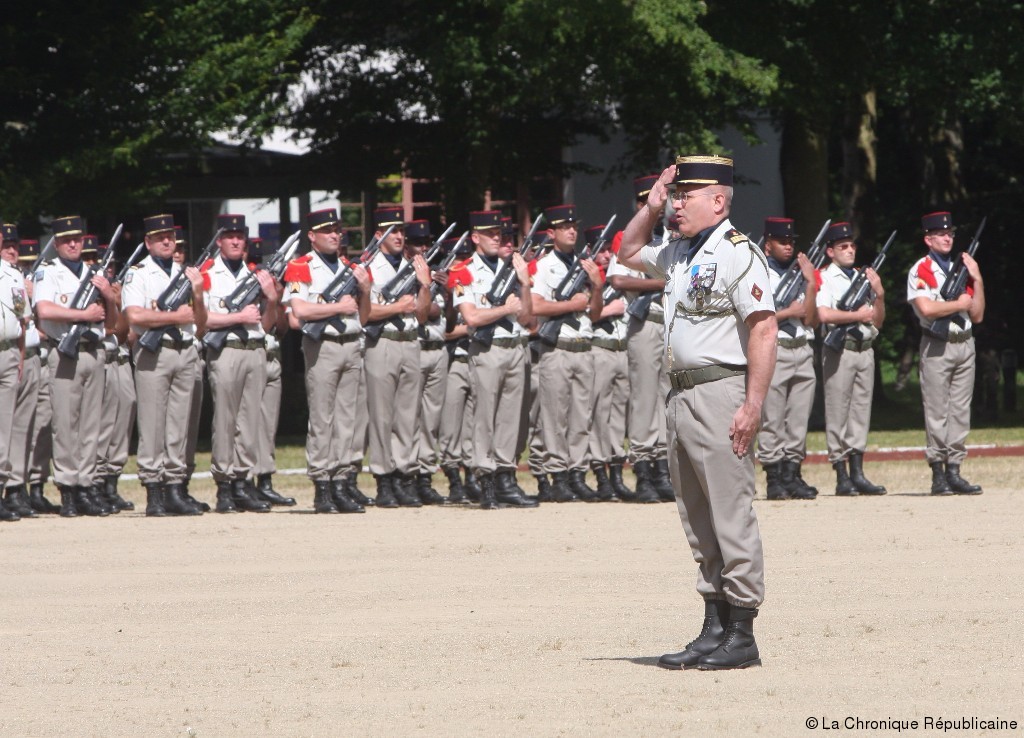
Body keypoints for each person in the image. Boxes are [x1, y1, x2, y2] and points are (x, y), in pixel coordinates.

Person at [617, 156, 776, 671]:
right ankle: (714, 625)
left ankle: (742, 632)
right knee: (698, 517)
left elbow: (763, 329)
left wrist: (752, 405)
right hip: (681, 395)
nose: (677, 204)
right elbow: (627, 252)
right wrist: (651, 205)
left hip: (721, 392)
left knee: (730, 512)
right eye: (676, 195)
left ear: (719, 200)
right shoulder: (681, 252)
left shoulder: (738, 253)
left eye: (687, 195)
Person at [283, 207, 370, 513]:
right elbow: (300, 311)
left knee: (347, 419)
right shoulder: (300, 267)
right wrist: (337, 308)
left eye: (337, 230)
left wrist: (365, 291)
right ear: (312, 236)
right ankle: (322, 484)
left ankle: (342, 481)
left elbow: (364, 316)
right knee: (323, 418)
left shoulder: (349, 267)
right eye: (327, 231)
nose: (334, 235)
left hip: (351, 344)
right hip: (323, 347)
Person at [32, 215, 119, 516]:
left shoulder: (94, 274)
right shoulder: (48, 272)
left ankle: (86, 485)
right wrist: (83, 315)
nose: (73, 244)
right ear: (56, 244)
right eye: (66, 240)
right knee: (66, 425)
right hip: (64, 352)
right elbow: (44, 310)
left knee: (91, 424)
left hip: (93, 352)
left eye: (77, 239)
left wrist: (108, 296)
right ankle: (68, 488)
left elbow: (112, 322)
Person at [451, 210, 537, 508]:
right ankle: (485, 478)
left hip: (515, 347)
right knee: (484, 417)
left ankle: (505, 478)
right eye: (490, 234)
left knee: (511, 418)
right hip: (487, 350)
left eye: (499, 233)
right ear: (475, 237)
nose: (497, 238)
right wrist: (504, 310)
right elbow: (472, 317)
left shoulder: (511, 268)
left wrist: (524, 284)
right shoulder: (463, 271)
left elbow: (527, 318)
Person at [123, 214, 207, 515]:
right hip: (154, 353)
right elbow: (135, 316)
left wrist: (198, 293)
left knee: (179, 424)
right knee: (152, 422)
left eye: (170, 236)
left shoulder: (185, 273)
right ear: (148, 242)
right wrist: (174, 317)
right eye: (160, 237)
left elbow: (201, 324)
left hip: (184, 350)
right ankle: (153, 491)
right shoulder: (138, 273)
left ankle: (174, 486)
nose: (167, 241)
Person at [201, 213, 277, 513]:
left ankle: (243, 482)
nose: (235, 241)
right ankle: (224, 485)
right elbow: (201, 319)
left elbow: (266, 325)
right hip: (227, 350)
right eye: (229, 237)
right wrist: (237, 317)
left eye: (240, 237)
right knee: (225, 420)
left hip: (254, 349)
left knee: (249, 421)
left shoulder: (253, 274)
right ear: (219, 241)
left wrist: (271, 299)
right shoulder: (208, 273)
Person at [606, 175, 675, 503]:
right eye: (648, 201)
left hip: (670, 325)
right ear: (639, 204)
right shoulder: (628, 239)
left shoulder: (673, 239)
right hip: (645, 324)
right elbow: (618, 279)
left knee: (666, 397)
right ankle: (644, 468)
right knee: (645, 399)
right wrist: (661, 283)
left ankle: (662, 467)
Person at [906, 211, 985, 495]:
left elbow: (977, 314)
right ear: (928, 239)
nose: (947, 238)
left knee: (960, 410)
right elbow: (926, 308)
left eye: (950, 233)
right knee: (937, 410)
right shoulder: (921, 269)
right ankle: (938, 472)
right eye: (941, 234)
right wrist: (958, 305)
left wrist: (977, 279)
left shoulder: (962, 267)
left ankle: (955, 469)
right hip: (937, 344)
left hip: (964, 343)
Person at [529, 205, 603, 502]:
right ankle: (557, 474)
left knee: (581, 417)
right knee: (555, 417)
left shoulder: (584, 264)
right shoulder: (544, 266)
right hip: (557, 348)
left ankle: (577, 473)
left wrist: (597, 287)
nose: (572, 231)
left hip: (583, 347)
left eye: (574, 226)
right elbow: (536, 305)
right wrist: (571, 305)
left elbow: (594, 314)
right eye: (564, 227)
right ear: (552, 233)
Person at [363, 206, 432, 507]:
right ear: (379, 235)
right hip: (383, 343)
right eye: (393, 232)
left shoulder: (411, 266)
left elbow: (422, 314)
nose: (400, 236)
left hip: (409, 342)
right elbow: (365, 313)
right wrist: (397, 307)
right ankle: (384, 479)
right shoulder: (368, 266)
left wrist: (425, 284)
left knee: (408, 416)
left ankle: (405, 476)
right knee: (382, 416)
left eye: (402, 231)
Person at [816, 222, 887, 496]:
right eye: (842, 246)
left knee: (860, 410)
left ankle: (858, 472)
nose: (849, 250)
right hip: (840, 349)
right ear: (830, 251)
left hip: (864, 349)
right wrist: (857, 315)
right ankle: (841, 474)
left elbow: (877, 321)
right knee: (838, 411)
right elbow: (824, 314)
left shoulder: (862, 277)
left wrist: (879, 293)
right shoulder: (825, 277)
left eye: (852, 245)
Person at [756, 217, 819, 500]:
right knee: (772, 416)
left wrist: (810, 284)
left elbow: (812, 319)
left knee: (798, 417)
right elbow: (756, 318)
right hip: (775, 348)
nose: (788, 246)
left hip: (802, 348)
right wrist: (788, 312)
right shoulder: (759, 273)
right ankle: (774, 477)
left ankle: (793, 474)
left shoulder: (799, 274)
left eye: (791, 241)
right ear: (767, 245)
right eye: (782, 241)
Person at [248, 236, 295, 508]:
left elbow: (282, 328)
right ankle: (241, 481)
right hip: (249, 354)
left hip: (271, 356)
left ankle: (264, 481)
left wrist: (274, 300)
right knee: (244, 423)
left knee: (267, 424)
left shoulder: (273, 288)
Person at [584, 227, 631, 501]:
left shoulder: (620, 276)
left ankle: (616, 472)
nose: (605, 255)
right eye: (600, 250)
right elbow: (582, 315)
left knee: (619, 414)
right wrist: (606, 310)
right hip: (599, 348)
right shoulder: (586, 279)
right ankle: (600, 473)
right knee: (598, 413)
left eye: (608, 250)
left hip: (622, 349)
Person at [14, 239, 60, 513]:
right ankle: (15, 488)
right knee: (18, 428)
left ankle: (37, 486)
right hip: (22, 356)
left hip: (41, 359)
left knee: (42, 426)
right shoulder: (11, 281)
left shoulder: (40, 281)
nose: (27, 265)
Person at [406, 219, 449, 505]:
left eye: (427, 242)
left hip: (437, 347)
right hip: (414, 347)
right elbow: (425, 312)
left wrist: (446, 291)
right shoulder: (403, 273)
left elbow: (444, 314)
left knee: (431, 419)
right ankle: (406, 476)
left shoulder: (435, 274)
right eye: (417, 243)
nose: (423, 247)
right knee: (409, 417)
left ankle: (425, 476)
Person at [0, 223, 28, 521]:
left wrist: (20, 357)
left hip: (8, 352)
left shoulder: (12, 275)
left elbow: (22, 318)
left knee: (5, 426)